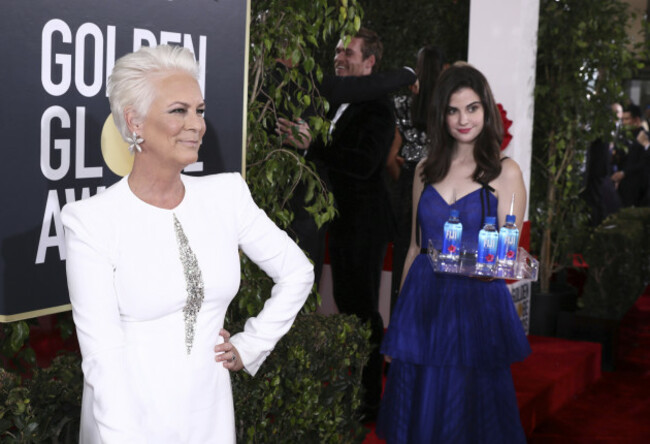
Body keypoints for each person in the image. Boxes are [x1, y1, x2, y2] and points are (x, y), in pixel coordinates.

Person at [61, 45, 314, 443]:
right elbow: (103, 359)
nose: (197, 124)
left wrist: (252, 344)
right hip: (128, 420)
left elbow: (297, 271)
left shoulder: (226, 195)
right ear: (135, 122)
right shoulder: (91, 221)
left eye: (199, 109)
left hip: (209, 415)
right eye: (179, 110)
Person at [376, 63, 531, 443]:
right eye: (453, 110)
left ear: (487, 110)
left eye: (472, 108)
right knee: (420, 412)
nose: (463, 119)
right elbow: (414, 247)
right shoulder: (425, 170)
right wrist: (398, 323)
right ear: (441, 114)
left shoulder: (505, 172)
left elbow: (506, 254)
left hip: (474, 309)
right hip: (424, 304)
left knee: (469, 416)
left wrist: (509, 261)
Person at [306, 27, 395, 420]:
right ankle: (350, 391)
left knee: (361, 311)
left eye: (350, 53)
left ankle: (368, 402)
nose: (340, 57)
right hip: (340, 221)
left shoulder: (378, 106)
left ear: (370, 63)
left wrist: (314, 145)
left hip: (364, 224)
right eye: (338, 51)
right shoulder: (335, 99)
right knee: (346, 305)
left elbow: (362, 164)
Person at [386, 45, 445, 312]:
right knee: (439, 253)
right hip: (442, 184)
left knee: (405, 252)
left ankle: (400, 314)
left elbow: (390, 157)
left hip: (409, 181)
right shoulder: (448, 107)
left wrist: (406, 182)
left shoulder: (401, 104)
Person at [612, 104, 649, 207]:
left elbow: (643, 163)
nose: (623, 123)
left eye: (627, 119)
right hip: (621, 188)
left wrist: (624, 173)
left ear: (636, 120)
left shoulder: (645, 137)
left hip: (638, 191)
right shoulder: (623, 136)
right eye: (622, 119)